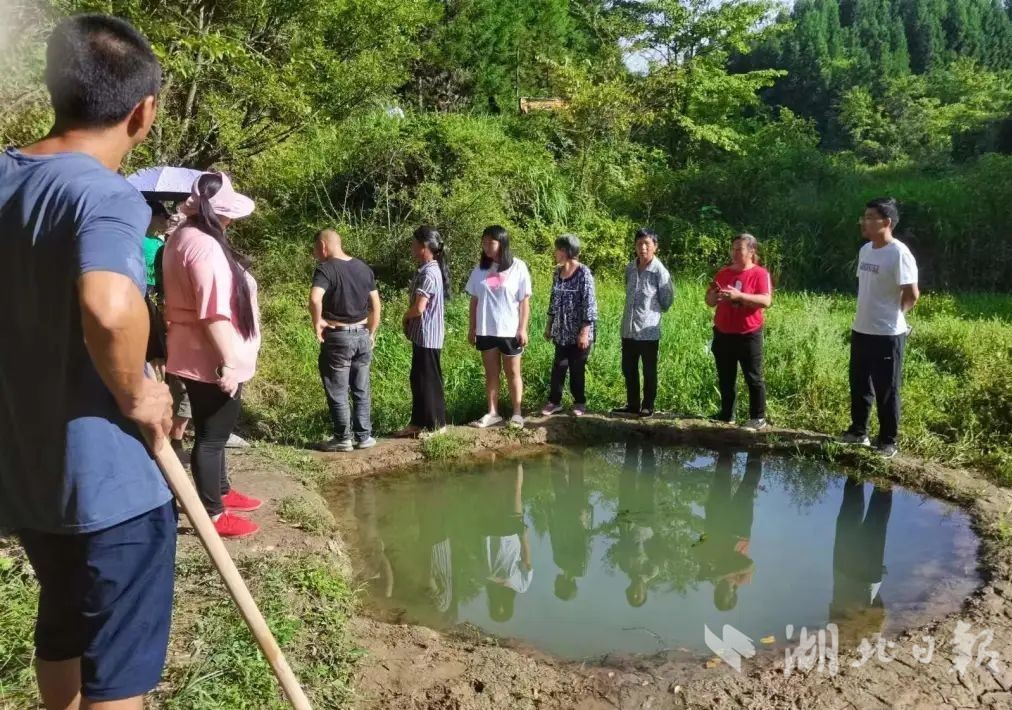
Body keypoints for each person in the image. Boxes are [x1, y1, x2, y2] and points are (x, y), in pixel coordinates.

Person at [0, 15, 176, 709]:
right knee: (118, 673)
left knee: (63, 622)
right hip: (110, 486)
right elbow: (107, 306)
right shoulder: (103, 193)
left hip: (29, 475)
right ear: (144, 112)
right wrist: (137, 393)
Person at [163, 172, 264, 538]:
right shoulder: (203, 247)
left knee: (213, 429)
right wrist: (229, 363)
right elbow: (213, 312)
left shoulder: (182, 236)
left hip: (194, 350)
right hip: (210, 356)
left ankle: (221, 490)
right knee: (211, 436)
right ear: (221, 213)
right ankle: (213, 513)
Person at [841, 198, 919, 458]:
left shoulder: (899, 253)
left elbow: (912, 294)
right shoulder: (866, 250)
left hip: (888, 334)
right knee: (859, 384)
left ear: (886, 222)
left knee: (887, 389)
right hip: (861, 328)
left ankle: (888, 440)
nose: (863, 222)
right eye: (863, 217)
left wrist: (897, 316)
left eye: (869, 217)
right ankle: (858, 432)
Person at [310, 228, 382, 452]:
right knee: (361, 389)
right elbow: (376, 304)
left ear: (323, 246)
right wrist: (371, 332)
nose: (315, 254)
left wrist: (317, 322)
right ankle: (364, 437)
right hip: (362, 335)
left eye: (315, 249)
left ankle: (343, 438)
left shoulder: (326, 269)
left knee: (338, 390)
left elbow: (315, 298)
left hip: (338, 337)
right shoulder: (363, 268)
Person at [465, 225, 533, 429]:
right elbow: (474, 301)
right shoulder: (480, 269)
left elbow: (524, 301)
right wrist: (472, 327)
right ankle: (493, 413)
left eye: (491, 242)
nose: (486, 246)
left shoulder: (518, 267)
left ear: (502, 243)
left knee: (513, 373)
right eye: (484, 242)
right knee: (491, 373)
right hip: (486, 329)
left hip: (510, 330)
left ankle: (517, 413)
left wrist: (522, 328)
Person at [705, 234, 773, 431]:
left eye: (739, 249)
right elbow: (709, 301)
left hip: (748, 334)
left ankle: (758, 418)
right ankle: (727, 415)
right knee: (726, 376)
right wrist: (714, 296)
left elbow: (766, 301)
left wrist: (739, 296)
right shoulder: (724, 273)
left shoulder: (760, 273)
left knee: (753, 377)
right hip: (723, 332)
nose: (734, 253)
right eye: (732, 249)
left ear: (751, 251)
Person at [613, 228, 674, 418]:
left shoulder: (659, 271)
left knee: (649, 370)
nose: (643, 248)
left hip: (648, 331)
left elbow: (667, 300)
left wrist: (651, 313)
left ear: (655, 246)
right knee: (628, 369)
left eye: (647, 244)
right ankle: (632, 405)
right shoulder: (630, 268)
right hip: (628, 329)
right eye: (639, 244)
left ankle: (648, 406)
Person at [395, 226, 449, 438]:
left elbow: (419, 308)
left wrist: (405, 317)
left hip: (428, 336)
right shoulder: (428, 269)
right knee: (418, 379)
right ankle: (417, 423)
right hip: (423, 336)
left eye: (414, 243)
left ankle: (438, 426)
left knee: (429, 381)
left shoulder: (429, 273)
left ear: (424, 246)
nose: (412, 247)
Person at [693, 450, 762, 612]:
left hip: (716, 527)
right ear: (733, 593)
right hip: (739, 530)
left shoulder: (710, 575)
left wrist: (701, 559)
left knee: (719, 486)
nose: (722, 591)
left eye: (718, 595)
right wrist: (723, 573)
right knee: (747, 489)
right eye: (725, 595)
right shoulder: (742, 579)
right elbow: (750, 565)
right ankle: (755, 453)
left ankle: (726, 451)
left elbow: (699, 548)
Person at [829, 477, 892, 649]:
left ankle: (863, 477)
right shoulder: (837, 630)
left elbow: (879, 610)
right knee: (860, 520)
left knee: (865, 521)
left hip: (858, 576)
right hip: (851, 574)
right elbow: (879, 611)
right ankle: (874, 479)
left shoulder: (836, 630)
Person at [541, 235, 598, 417]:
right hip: (562, 331)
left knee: (577, 368)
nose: (555, 253)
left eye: (557, 249)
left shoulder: (583, 273)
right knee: (559, 366)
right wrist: (549, 325)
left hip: (580, 332)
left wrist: (584, 332)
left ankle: (579, 402)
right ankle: (554, 402)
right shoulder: (557, 273)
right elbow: (553, 301)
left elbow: (590, 304)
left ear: (565, 251)